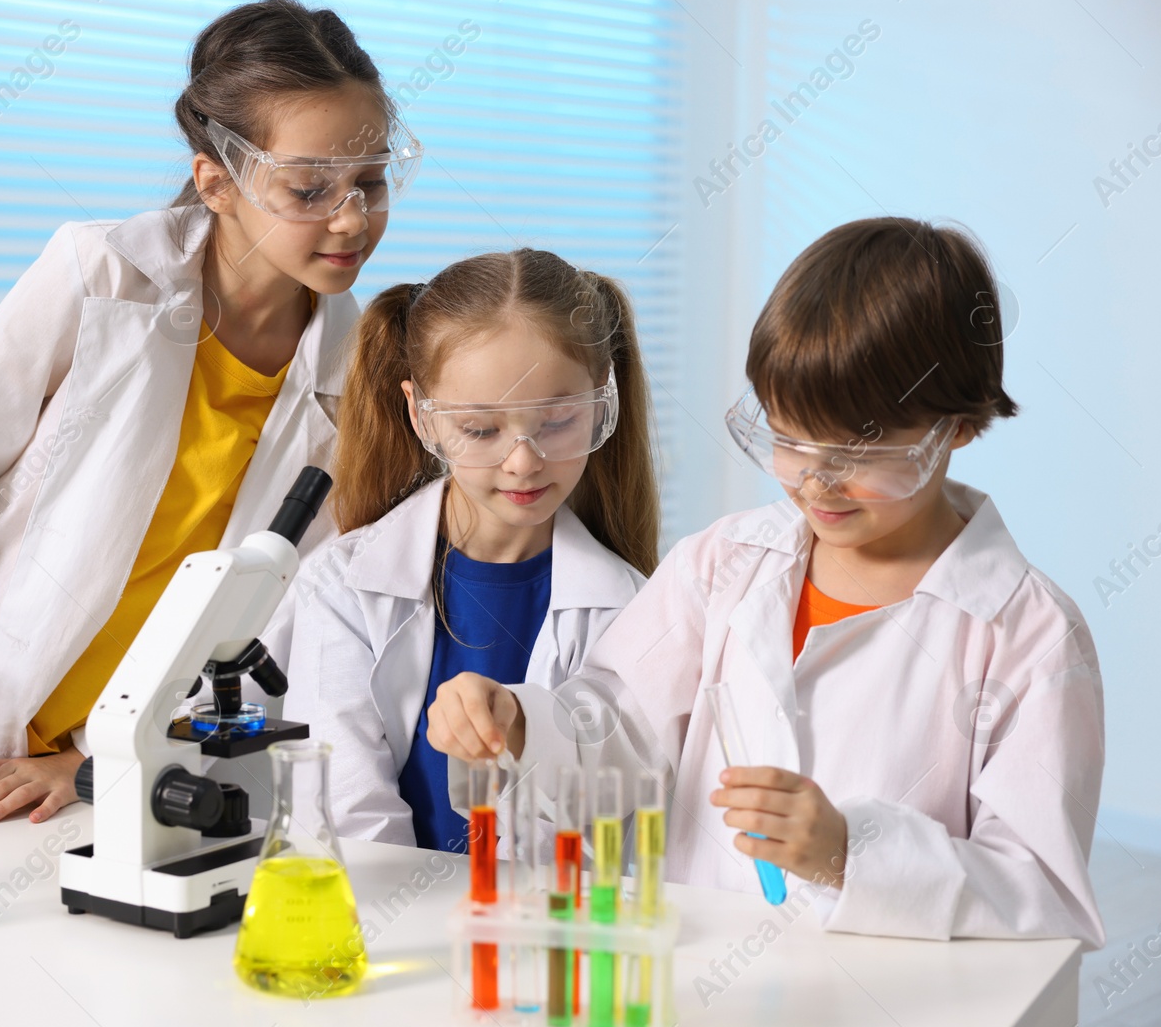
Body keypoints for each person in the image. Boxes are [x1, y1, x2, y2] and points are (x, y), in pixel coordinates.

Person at [0, 0, 422, 830]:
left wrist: (95, 761)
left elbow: (275, 623)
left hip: (134, 775)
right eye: (310, 188)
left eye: (370, 183)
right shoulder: (99, 277)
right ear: (215, 182)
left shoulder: (362, 377)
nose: (352, 218)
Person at [429, 218, 1106, 948]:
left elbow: (1041, 892)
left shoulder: (1028, 636)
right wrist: (522, 724)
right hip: (703, 991)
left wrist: (852, 853)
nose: (817, 479)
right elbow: (616, 726)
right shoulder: (721, 564)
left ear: (960, 427)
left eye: (859, 449)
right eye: (788, 438)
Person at [278, 248, 659, 850]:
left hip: (543, 932)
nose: (523, 461)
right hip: (388, 930)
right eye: (481, 430)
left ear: (601, 403)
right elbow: (345, 818)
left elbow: (617, 828)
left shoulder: (637, 608)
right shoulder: (342, 588)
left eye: (558, 420)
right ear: (422, 416)